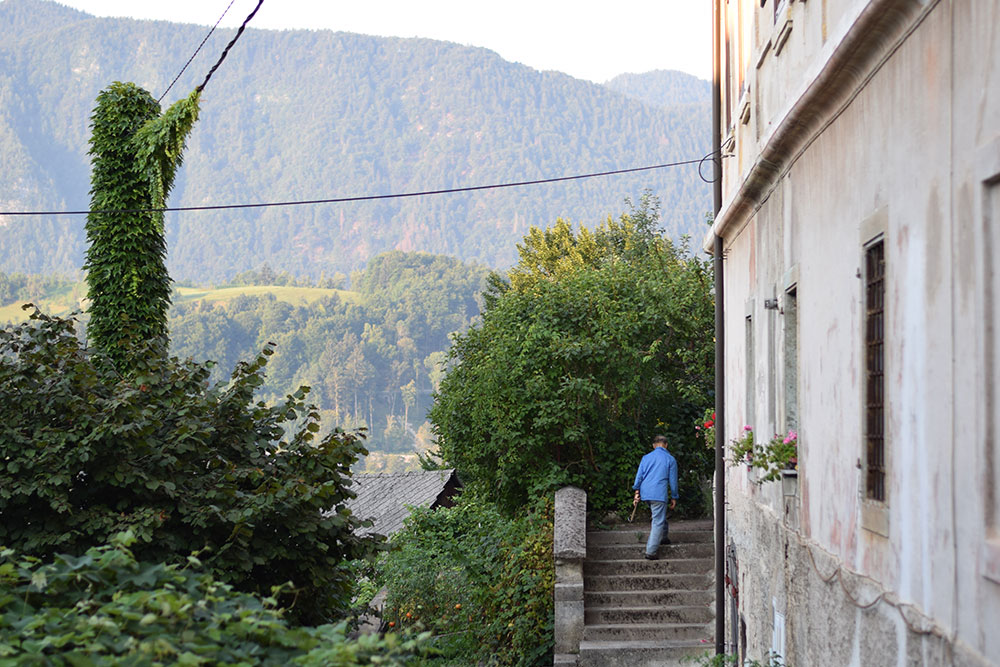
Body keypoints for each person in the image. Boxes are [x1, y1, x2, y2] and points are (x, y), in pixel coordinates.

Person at [632, 435, 679, 560]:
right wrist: (674, 497)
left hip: (646, 493)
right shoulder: (670, 459)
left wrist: (637, 491)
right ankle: (651, 552)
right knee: (658, 520)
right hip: (659, 494)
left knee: (658, 515)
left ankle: (663, 537)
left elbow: (639, 476)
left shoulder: (646, 458)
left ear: (654, 445)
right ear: (666, 445)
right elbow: (673, 482)